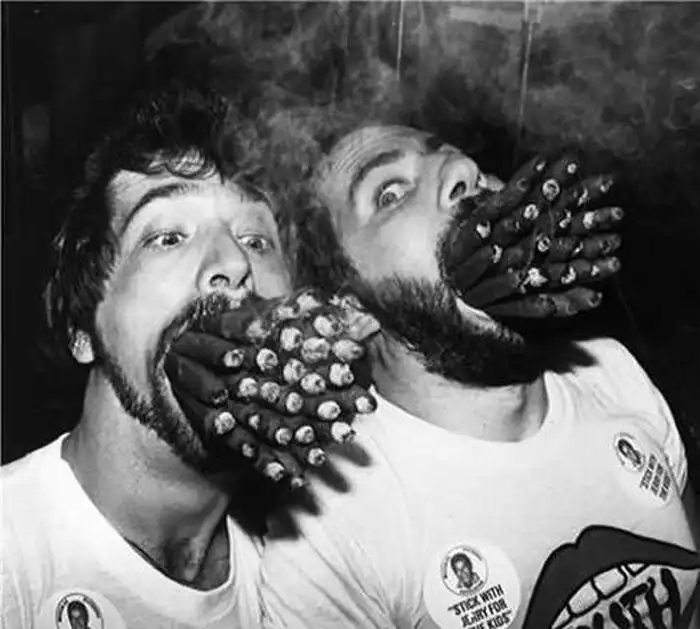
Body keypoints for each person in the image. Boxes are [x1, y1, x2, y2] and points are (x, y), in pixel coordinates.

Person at [260, 125, 700, 628]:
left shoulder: (612, 372)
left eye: (453, 154)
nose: (464, 170)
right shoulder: (329, 540)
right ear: (348, 310)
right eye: (390, 193)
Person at [0, 69, 380, 627]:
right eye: (168, 237)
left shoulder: (311, 573)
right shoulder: (11, 554)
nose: (233, 262)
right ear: (83, 328)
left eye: (256, 239)